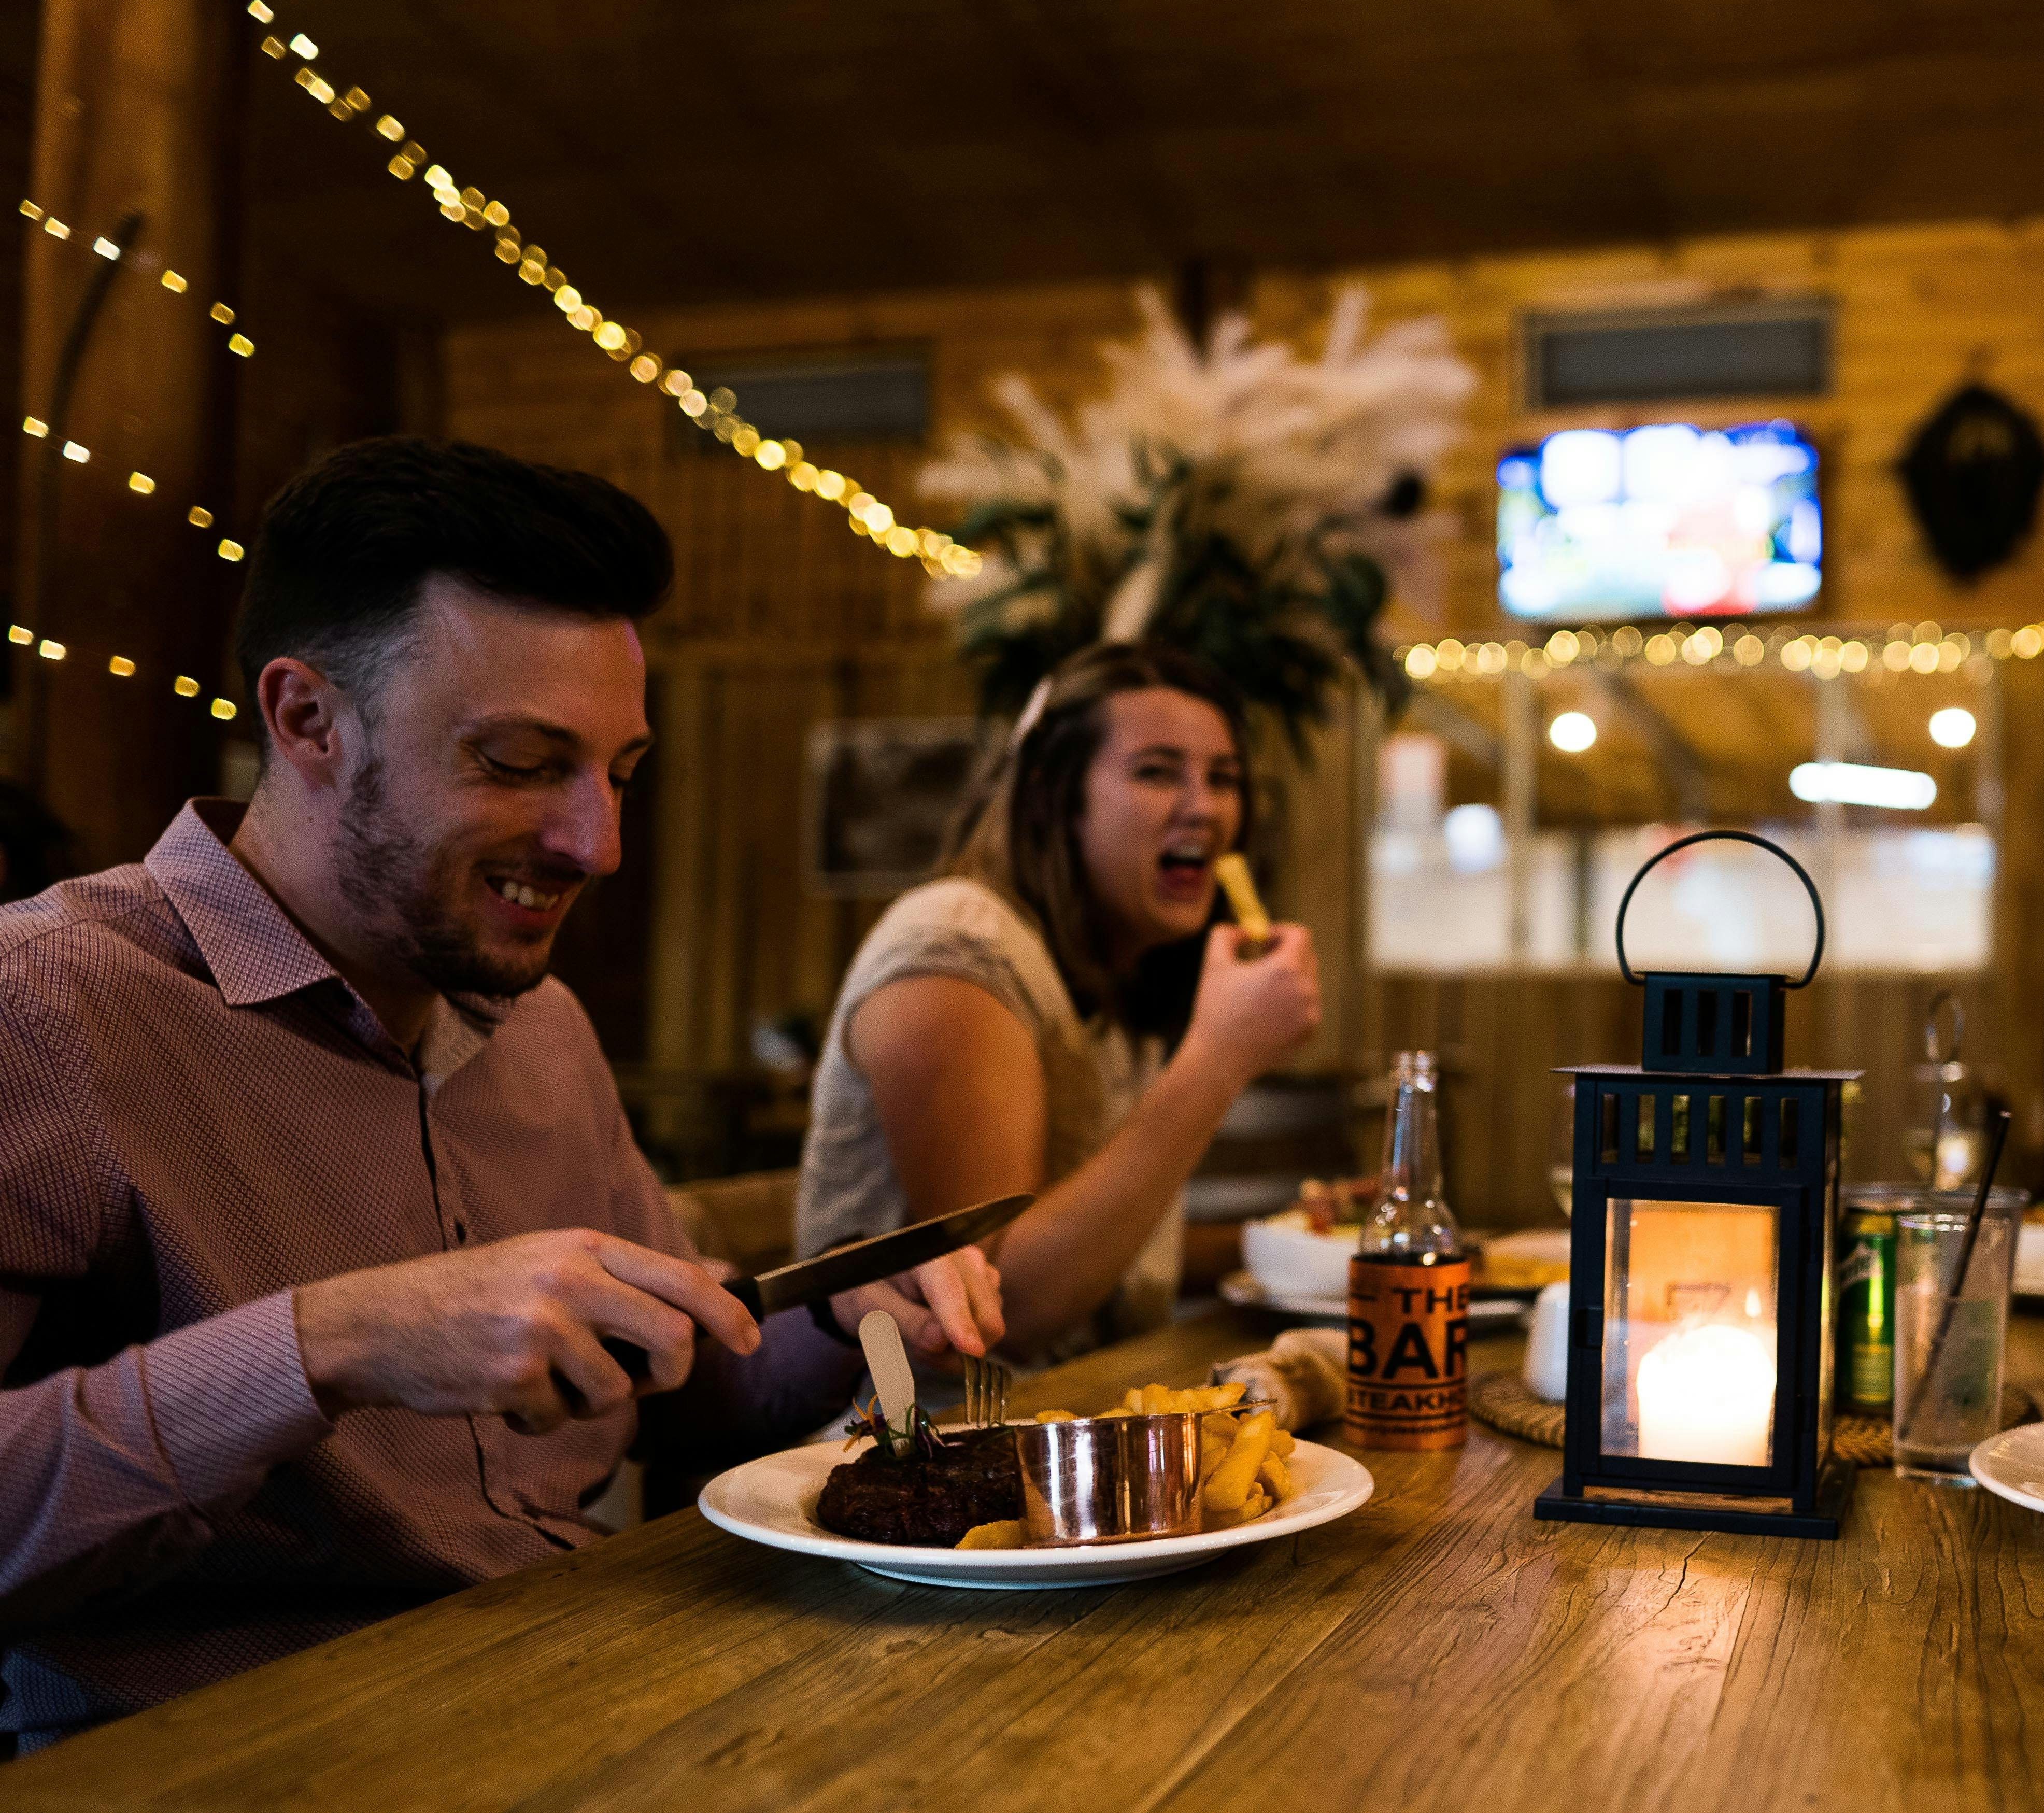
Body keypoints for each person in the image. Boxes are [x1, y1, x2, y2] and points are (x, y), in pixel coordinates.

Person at [0, 438, 1000, 1750]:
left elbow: (688, 1383)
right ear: (304, 719)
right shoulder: (47, 1005)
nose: (598, 842)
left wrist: (840, 1313)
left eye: (619, 772)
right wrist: (333, 1341)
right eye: (522, 762)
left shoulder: (544, 1028)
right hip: (240, 1758)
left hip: (597, 1699)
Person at [796, 642, 1321, 1366]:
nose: (1204, 807)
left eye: (1223, 778)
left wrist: (1304, 1242)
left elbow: (1105, 1256)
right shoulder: (955, 948)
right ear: (1054, 792)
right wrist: (1217, 1061)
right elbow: (1006, 1307)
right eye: (1157, 771)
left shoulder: (1112, 968)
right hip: (916, 1429)